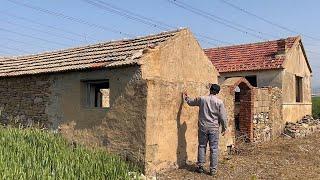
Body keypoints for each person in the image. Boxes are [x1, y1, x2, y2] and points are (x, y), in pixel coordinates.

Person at [183, 84, 227, 176]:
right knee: (214, 149)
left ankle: (200, 167)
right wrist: (224, 127)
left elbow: (191, 102)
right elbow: (223, 117)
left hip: (203, 127)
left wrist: (186, 98)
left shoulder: (202, 99)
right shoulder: (219, 102)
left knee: (202, 146)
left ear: (210, 90)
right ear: (217, 92)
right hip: (214, 128)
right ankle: (213, 170)